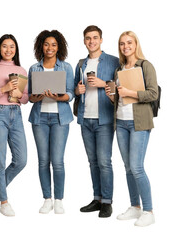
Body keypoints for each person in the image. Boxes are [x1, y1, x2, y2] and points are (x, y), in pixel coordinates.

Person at [105, 31, 158, 227]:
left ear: (136, 44)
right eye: (122, 43)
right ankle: (135, 207)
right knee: (128, 168)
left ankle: (149, 210)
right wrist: (113, 96)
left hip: (139, 123)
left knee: (137, 167)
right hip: (121, 122)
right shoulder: (118, 69)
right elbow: (119, 98)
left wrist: (131, 92)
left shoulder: (145, 66)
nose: (125, 46)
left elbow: (153, 93)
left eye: (129, 42)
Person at [74, 25, 120, 218]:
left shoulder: (113, 61)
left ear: (101, 39)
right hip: (86, 118)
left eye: (95, 38)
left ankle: (107, 202)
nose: (91, 41)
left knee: (104, 161)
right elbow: (75, 90)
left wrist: (104, 84)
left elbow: (121, 89)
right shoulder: (80, 63)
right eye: (87, 38)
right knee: (92, 162)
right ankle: (97, 198)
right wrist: (77, 91)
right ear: (84, 41)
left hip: (105, 119)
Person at [28, 30, 74, 214]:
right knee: (42, 161)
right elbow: (30, 97)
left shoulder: (66, 67)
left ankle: (59, 199)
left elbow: (70, 93)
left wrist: (60, 96)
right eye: (46, 44)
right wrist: (38, 96)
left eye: (54, 44)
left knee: (58, 161)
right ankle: (47, 199)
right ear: (41, 46)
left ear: (59, 47)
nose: (50, 48)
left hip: (59, 119)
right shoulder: (34, 68)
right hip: (39, 119)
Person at [0, 34, 28, 217]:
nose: (8, 50)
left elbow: (25, 99)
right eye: (4, 46)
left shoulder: (22, 70)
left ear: (16, 49)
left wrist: (17, 93)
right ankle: (4, 201)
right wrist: (4, 89)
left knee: (21, 160)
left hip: (16, 115)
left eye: (12, 47)